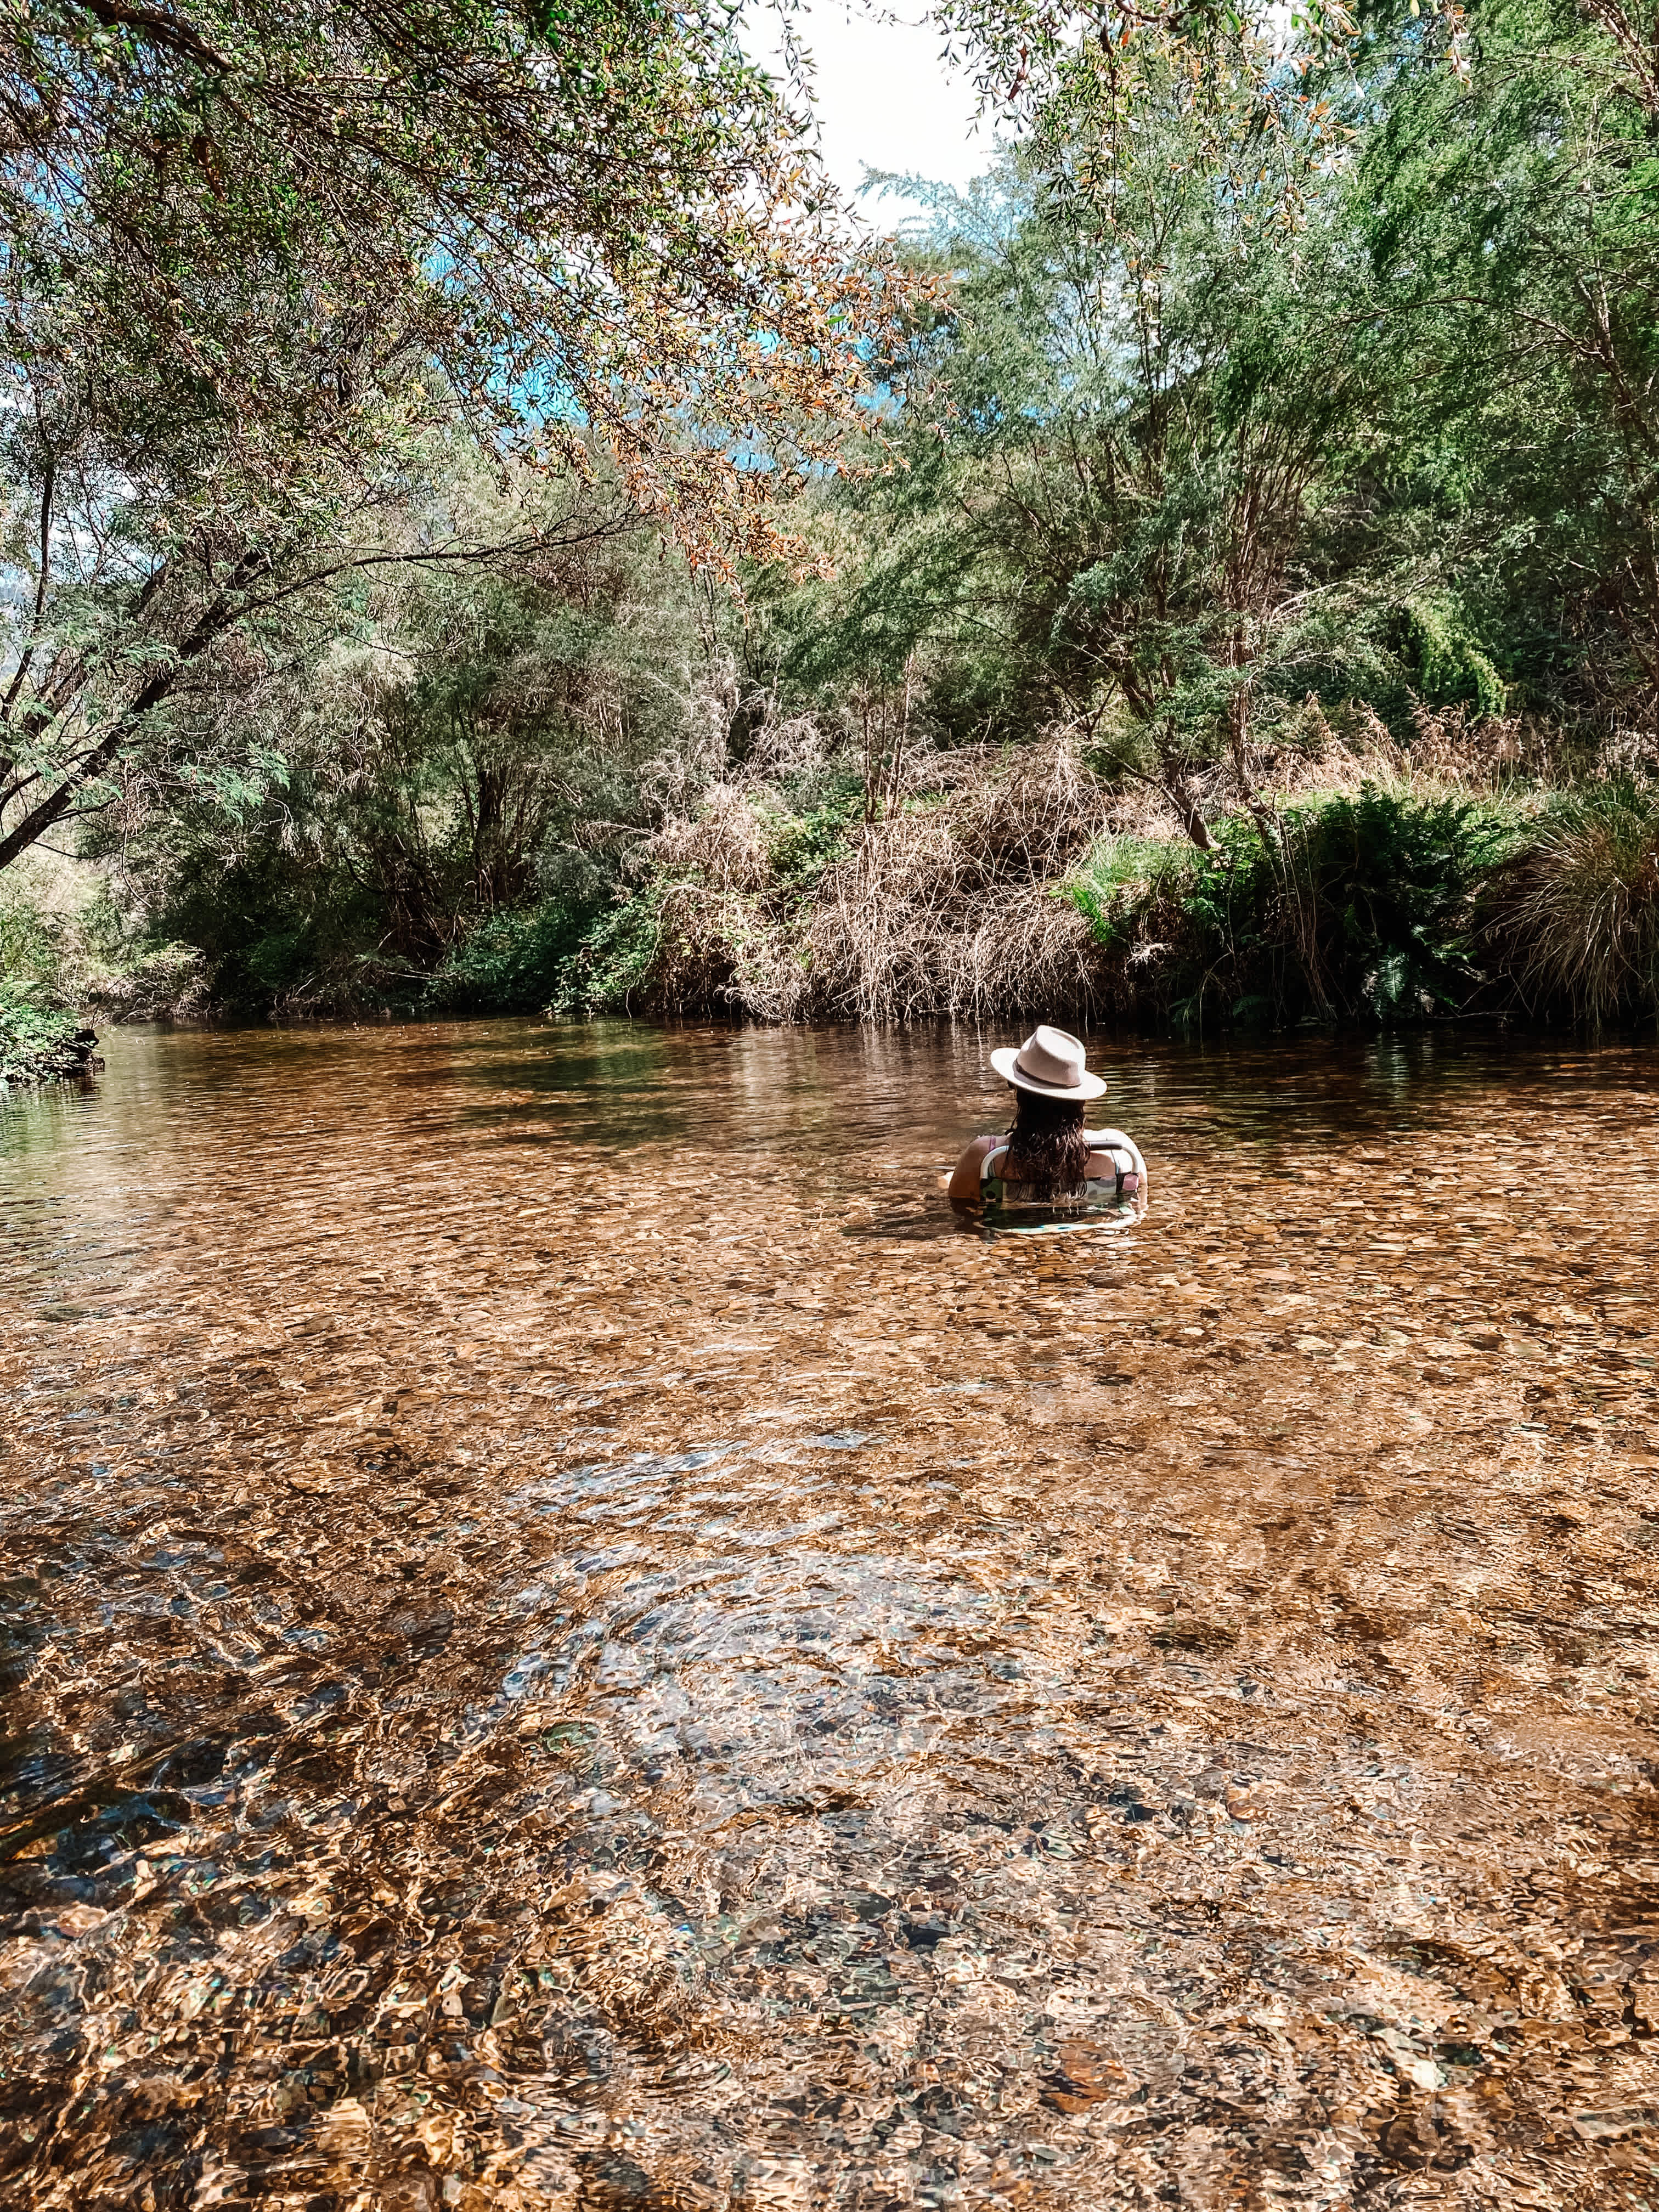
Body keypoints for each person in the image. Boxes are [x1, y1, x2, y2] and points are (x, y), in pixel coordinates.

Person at [947, 1024, 1147, 1217]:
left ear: (1018, 1091)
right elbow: (1139, 1203)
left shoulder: (985, 1156)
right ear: (1080, 1098)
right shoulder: (1120, 1152)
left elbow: (961, 1211)